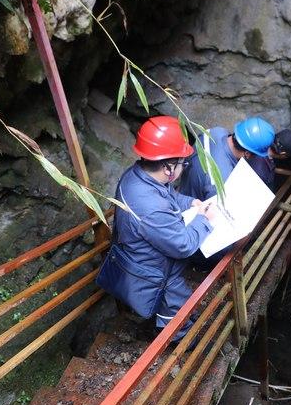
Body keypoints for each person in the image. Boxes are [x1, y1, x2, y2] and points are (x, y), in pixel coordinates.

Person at [96, 116, 217, 342]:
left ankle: (171, 326)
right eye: (183, 162)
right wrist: (204, 220)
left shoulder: (139, 175)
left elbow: (168, 195)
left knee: (175, 295)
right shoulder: (150, 207)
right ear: (168, 166)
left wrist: (191, 203)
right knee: (175, 303)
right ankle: (179, 339)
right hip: (152, 270)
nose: (183, 166)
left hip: (141, 254)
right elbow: (183, 245)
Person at [178, 117, 275, 201]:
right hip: (192, 205)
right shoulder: (222, 181)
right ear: (247, 153)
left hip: (186, 182)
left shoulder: (217, 131)